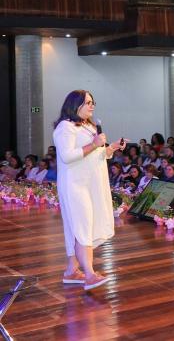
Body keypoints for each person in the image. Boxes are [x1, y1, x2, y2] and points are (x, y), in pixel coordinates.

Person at [53, 90, 127, 291]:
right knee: (82, 227)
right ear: (75, 105)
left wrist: (110, 148)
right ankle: (90, 274)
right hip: (75, 185)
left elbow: (97, 154)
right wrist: (94, 144)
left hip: (90, 184)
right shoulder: (65, 127)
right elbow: (68, 156)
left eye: (93, 102)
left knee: (78, 228)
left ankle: (71, 271)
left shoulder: (88, 126)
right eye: (87, 102)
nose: (92, 105)